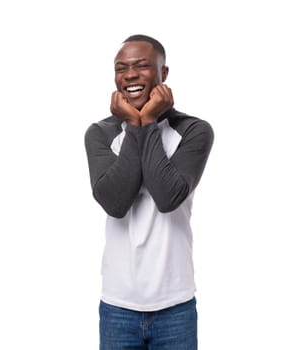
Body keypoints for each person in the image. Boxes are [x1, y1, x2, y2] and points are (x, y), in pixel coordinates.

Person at [84, 34, 214, 350]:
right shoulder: (100, 133)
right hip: (118, 306)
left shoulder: (194, 131)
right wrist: (135, 126)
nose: (130, 74)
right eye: (121, 68)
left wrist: (149, 121)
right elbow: (115, 202)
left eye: (142, 66)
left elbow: (168, 196)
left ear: (163, 74)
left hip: (175, 305)